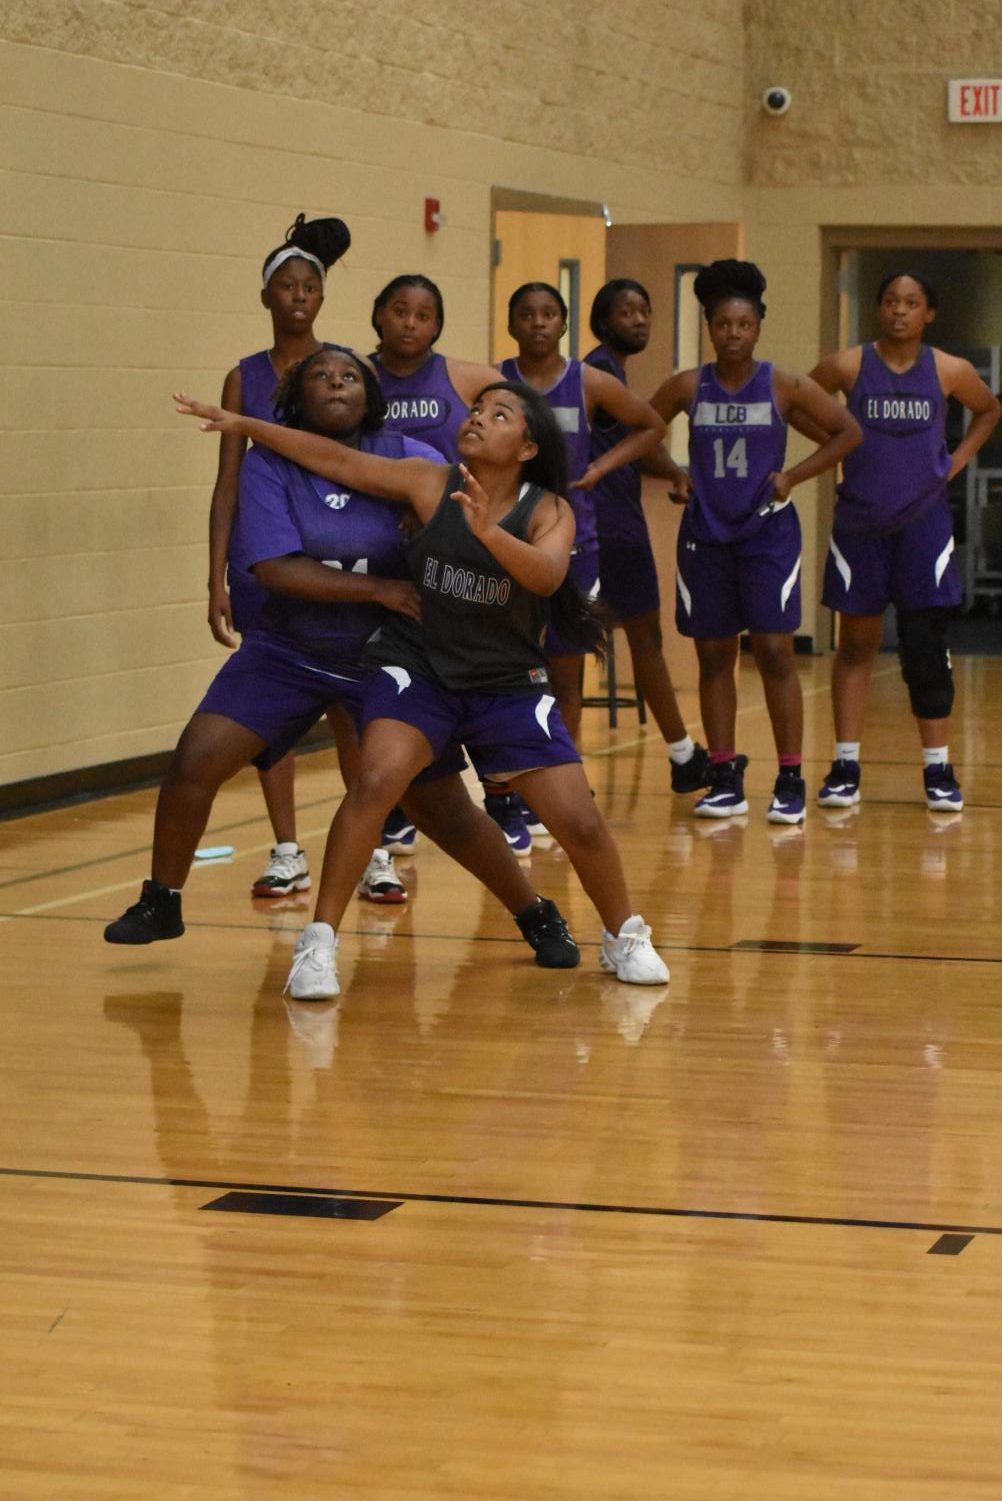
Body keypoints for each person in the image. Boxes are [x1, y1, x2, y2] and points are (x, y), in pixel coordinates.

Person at [173, 378, 672, 997]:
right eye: (475, 410)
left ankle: (624, 933)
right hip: (421, 668)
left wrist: (490, 532)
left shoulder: (549, 510)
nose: (478, 419)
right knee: (377, 780)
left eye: (499, 414)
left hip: (505, 681)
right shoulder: (429, 482)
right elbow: (335, 458)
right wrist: (246, 425)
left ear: (526, 449)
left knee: (578, 819)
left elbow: (545, 577)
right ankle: (320, 942)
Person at [106, 350, 579, 977]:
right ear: (294, 401)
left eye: (350, 375)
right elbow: (274, 569)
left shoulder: (416, 457)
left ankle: (534, 911)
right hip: (289, 648)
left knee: (442, 810)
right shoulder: (271, 462)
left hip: (389, 655)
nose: (335, 383)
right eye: (320, 377)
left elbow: (464, 530)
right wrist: (379, 588)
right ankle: (162, 899)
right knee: (196, 757)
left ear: (372, 393)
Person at [649, 260, 862, 823]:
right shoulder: (687, 385)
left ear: (758, 327)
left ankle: (790, 776)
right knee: (714, 656)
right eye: (723, 324)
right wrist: (674, 472)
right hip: (705, 534)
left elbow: (848, 431)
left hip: (767, 532)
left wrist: (795, 475)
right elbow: (637, 429)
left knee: (772, 652)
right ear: (710, 328)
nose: (733, 334)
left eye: (743, 324)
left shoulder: (784, 383)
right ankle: (725, 773)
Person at [805, 272, 1000, 813]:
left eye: (911, 303)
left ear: (928, 313)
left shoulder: (948, 370)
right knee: (856, 645)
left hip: (924, 526)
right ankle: (845, 765)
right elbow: (797, 401)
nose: (899, 310)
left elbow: (989, 409)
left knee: (925, 648)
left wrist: (957, 461)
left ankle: (938, 768)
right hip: (861, 525)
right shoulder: (848, 365)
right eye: (891, 301)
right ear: (878, 309)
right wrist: (835, 444)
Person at [207, 212, 355, 897]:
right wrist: (215, 576)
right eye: (286, 286)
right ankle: (287, 846)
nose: (298, 295)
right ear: (266, 296)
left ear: (322, 296)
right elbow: (228, 481)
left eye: (309, 286)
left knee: (351, 706)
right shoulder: (243, 378)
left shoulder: (343, 371)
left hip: (335, 556)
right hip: (265, 559)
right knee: (275, 706)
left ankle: (374, 843)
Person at [368, 273, 513, 849]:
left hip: (455, 545)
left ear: (438, 324)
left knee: (475, 670)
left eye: (423, 314)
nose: (409, 322)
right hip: (380, 546)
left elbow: (512, 442)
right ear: (378, 315)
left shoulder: (471, 379)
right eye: (399, 310)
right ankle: (401, 797)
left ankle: (504, 796)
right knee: (393, 676)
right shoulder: (351, 376)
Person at [584, 278, 711, 798]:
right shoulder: (598, 373)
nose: (639, 320)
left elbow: (640, 439)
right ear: (602, 319)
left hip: (613, 525)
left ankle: (683, 755)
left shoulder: (612, 374)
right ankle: (681, 755)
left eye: (645, 311)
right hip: (607, 529)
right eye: (627, 312)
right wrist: (676, 471)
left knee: (636, 643)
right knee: (616, 646)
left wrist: (674, 473)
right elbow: (645, 434)